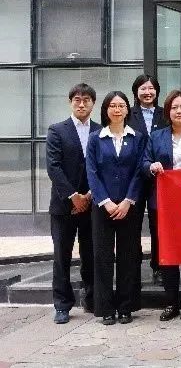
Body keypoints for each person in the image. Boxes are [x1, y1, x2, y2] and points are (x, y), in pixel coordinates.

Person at [142, 90, 181, 322]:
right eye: (174, 107)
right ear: (168, 111)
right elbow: (144, 162)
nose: (178, 111)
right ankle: (170, 302)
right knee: (167, 252)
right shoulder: (156, 136)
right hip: (163, 203)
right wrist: (152, 167)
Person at [86, 90, 148, 325]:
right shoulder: (96, 138)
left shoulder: (137, 137)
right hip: (103, 206)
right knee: (102, 256)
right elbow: (91, 172)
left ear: (127, 109)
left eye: (121, 105)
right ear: (105, 109)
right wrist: (106, 201)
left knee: (128, 256)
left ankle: (126, 307)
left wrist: (128, 200)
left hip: (129, 206)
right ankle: (105, 308)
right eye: (112, 105)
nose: (117, 109)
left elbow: (139, 171)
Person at [46, 83, 100, 325]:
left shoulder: (100, 130)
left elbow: (102, 165)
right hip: (63, 205)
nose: (81, 104)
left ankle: (92, 298)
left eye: (86, 100)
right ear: (70, 102)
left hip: (92, 203)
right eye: (77, 99)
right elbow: (53, 167)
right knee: (62, 256)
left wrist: (89, 194)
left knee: (91, 254)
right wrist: (73, 196)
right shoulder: (57, 130)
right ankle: (62, 305)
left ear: (93, 104)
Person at [129, 74, 168, 284]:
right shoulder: (128, 114)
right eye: (143, 88)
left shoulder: (165, 114)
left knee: (158, 225)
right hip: (133, 177)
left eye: (151, 88)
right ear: (136, 92)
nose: (147, 92)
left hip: (158, 178)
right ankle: (132, 267)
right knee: (133, 224)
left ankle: (158, 266)